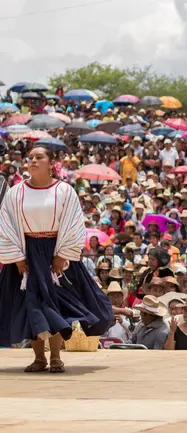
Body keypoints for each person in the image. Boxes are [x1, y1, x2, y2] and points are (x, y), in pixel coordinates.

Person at [0, 145, 113, 373]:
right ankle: (39, 358)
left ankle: (56, 357)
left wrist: (62, 255)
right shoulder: (15, 192)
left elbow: (73, 222)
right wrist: (18, 258)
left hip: (56, 250)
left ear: (52, 163)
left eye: (39, 157)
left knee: (55, 305)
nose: (32, 161)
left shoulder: (64, 191)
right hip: (26, 250)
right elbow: (7, 223)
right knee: (31, 304)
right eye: (30, 157)